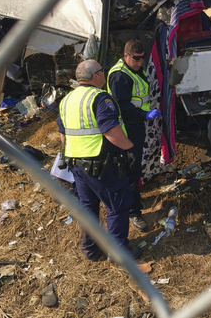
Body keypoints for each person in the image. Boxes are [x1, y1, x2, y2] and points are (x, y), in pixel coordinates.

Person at [57, 59, 141, 261]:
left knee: (88, 207)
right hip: (101, 164)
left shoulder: (67, 99)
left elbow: (63, 135)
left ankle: (90, 250)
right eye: (102, 71)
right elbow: (110, 130)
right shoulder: (101, 98)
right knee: (118, 206)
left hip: (76, 164)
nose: (104, 74)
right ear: (95, 76)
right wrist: (130, 149)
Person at [107, 39, 161, 231]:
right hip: (126, 128)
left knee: (134, 167)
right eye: (136, 59)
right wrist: (144, 114)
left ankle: (132, 202)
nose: (140, 63)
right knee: (130, 169)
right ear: (126, 56)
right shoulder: (120, 77)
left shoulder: (134, 70)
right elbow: (123, 107)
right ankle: (133, 212)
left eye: (142, 59)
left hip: (137, 125)